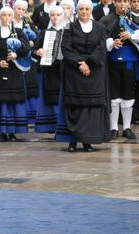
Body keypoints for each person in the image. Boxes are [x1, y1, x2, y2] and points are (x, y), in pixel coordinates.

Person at [58, 0, 109, 152]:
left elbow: (101, 48)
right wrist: (81, 63)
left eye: (87, 9)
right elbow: (66, 48)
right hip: (74, 72)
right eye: (81, 9)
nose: (84, 12)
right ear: (77, 11)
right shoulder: (70, 27)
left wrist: (89, 63)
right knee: (75, 106)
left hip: (94, 72)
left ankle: (88, 142)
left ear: (91, 10)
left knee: (91, 108)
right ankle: (72, 142)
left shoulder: (100, 27)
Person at [0, 5, 30, 142]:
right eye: (4, 15)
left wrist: (17, 54)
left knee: (13, 101)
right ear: (0, 17)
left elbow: (26, 47)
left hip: (14, 71)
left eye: (9, 15)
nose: (7, 18)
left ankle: (13, 132)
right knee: (1, 101)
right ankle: (2, 132)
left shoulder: (19, 32)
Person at [100, 0, 138, 140]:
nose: (122, 4)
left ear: (128, 3)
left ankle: (127, 127)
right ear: (114, 3)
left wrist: (132, 36)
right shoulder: (106, 20)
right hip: (113, 61)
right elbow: (98, 39)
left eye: (125, 1)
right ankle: (113, 128)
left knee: (128, 93)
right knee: (114, 95)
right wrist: (111, 43)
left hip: (130, 61)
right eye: (119, 1)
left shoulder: (134, 19)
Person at [33, 5, 66, 133]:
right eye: (53, 15)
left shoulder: (69, 31)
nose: (55, 17)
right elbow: (34, 50)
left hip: (64, 69)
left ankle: (63, 124)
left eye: (58, 15)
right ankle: (52, 125)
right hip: (50, 70)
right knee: (52, 98)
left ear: (63, 16)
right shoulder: (44, 33)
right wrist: (38, 51)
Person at [13, 0, 39, 125]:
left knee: (29, 87)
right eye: (18, 9)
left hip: (27, 59)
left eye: (23, 10)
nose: (21, 12)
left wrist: (33, 42)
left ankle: (29, 117)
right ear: (14, 9)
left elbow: (37, 39)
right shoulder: (9, 23)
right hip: (13, 59)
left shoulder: (28, 24)